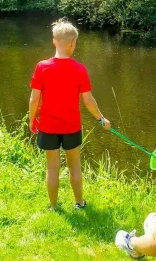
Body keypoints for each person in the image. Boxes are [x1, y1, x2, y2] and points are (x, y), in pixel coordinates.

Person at [29, 18, 111, 210]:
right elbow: (89, 101)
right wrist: (101, 119)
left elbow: (34, 99)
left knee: (52, 167)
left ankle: (53, 206)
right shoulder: (79, 69)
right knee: (74, 165)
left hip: (48, 126)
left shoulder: (42, 66)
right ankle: (79, 203)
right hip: (71, 127)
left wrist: (32, 119)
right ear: (73, 43)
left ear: (54, 41)